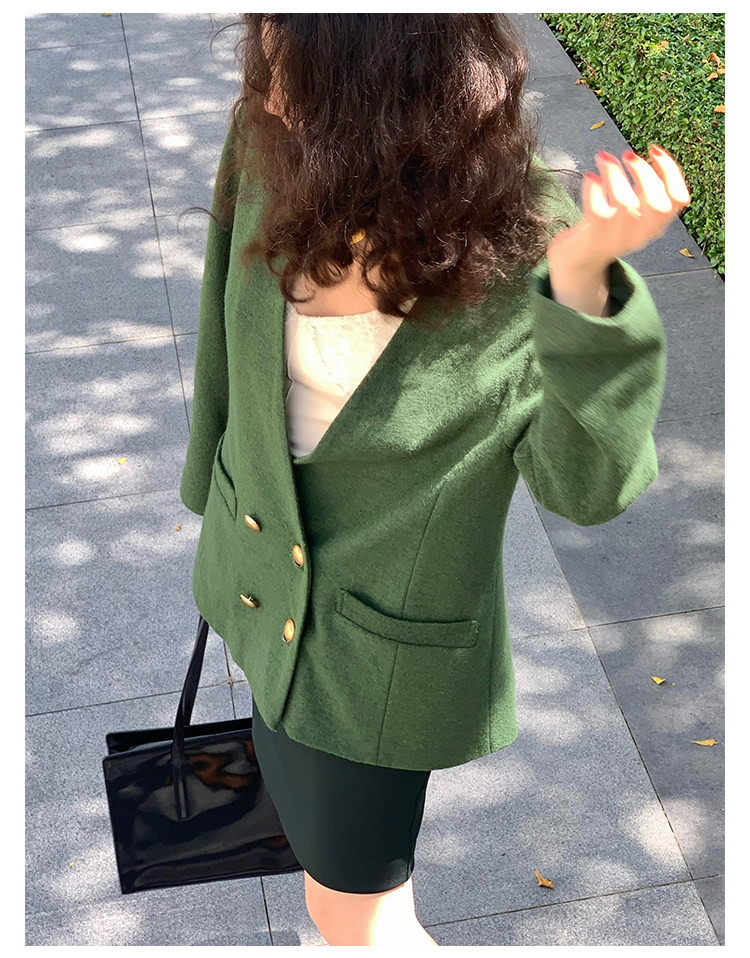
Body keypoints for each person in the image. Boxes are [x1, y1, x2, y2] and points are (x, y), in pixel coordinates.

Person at [180, 13, 690, 947]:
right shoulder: (268, 139)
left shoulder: (526, 245)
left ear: (384, 98)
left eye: (294, 77)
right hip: (254, 583)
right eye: (267, 58)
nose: (269, 94)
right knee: (326, 877)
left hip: (376, 657)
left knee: (359, 916)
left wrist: (583, 276)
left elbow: (587, 487)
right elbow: (227, 316)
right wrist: (208, 485)